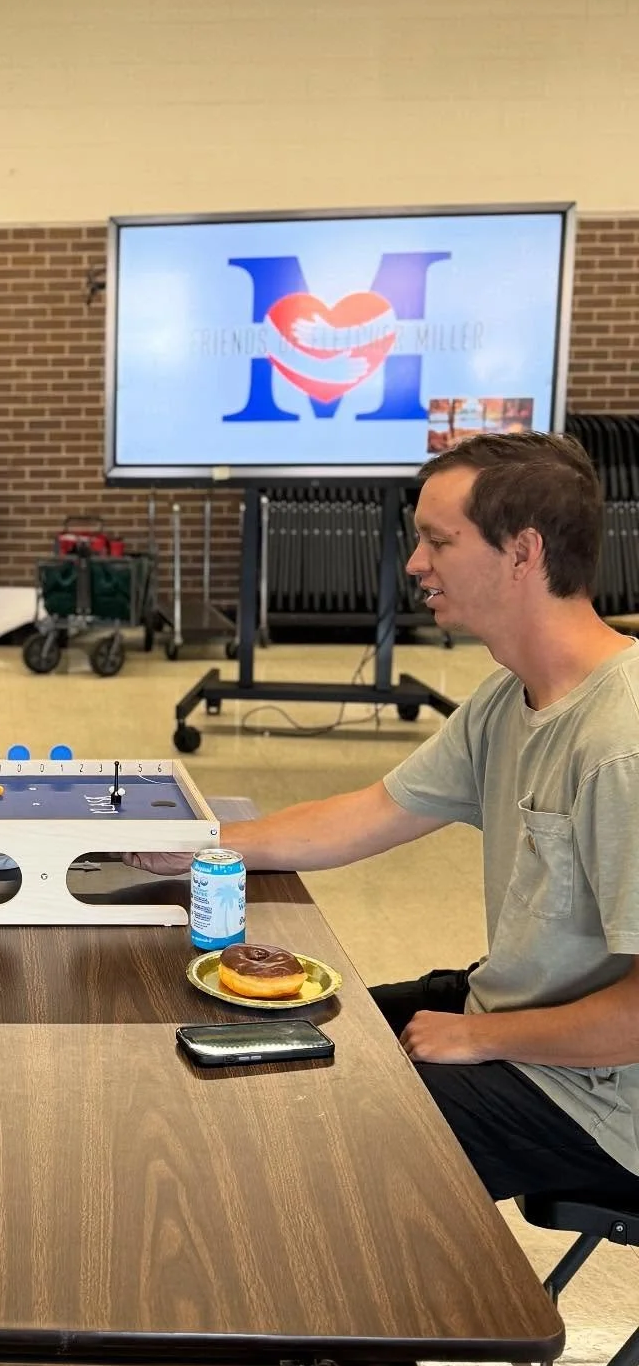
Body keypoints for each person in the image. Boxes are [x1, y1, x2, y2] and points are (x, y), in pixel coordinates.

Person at [132, 431, 639, 1204]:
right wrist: (194, 845)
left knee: (310, 1124)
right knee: (261, 1039)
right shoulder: (508, 699)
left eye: (438, 541)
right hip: (519, 1017)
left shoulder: (619, 745)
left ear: (522, 552)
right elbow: (364, 815)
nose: (414, 564)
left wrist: (479, 1036)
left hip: (600, 1101)